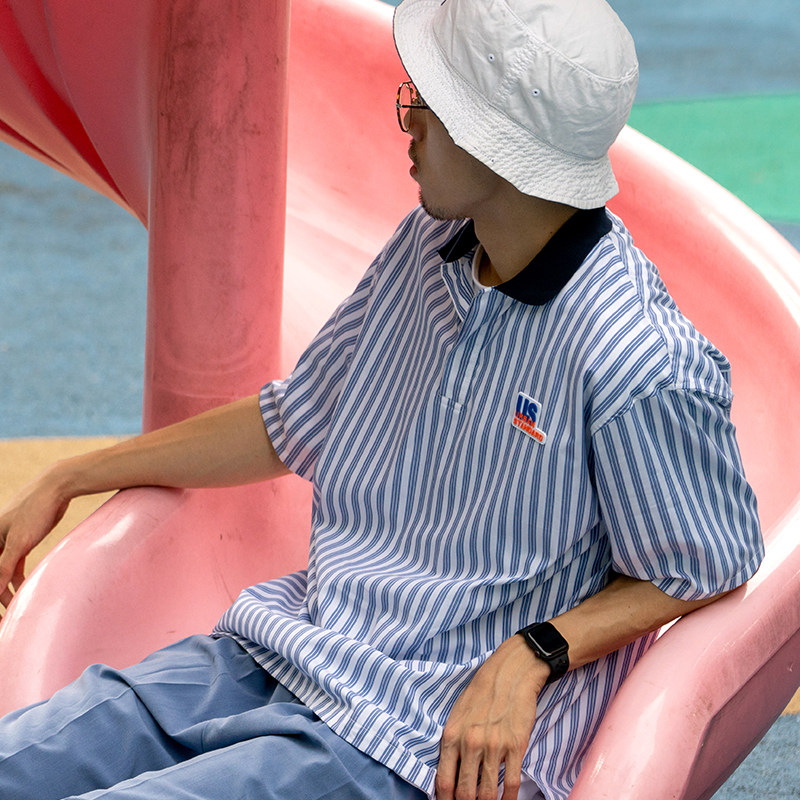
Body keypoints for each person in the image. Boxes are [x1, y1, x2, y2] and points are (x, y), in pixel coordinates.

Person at [0, 0, 763, 798]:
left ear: (499, 143)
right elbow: (293, 419)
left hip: (409, 741)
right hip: (283, 651)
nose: (408, 121)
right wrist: (74, 475)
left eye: (429, 102)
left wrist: (536, 650)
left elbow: (709, 561)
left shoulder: (637, 356)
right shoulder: (429, 245)